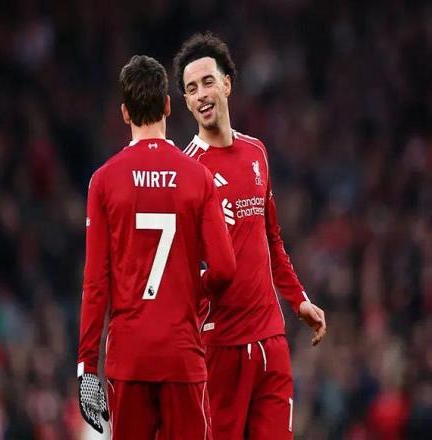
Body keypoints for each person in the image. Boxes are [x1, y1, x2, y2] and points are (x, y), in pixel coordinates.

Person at [173, 33, 327, 440]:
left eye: (208, 82)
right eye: (191, 89)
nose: (201, 94)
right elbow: (178, 269)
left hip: (271, 339)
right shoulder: (187, 171)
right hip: (219, 346)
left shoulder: (256, 152)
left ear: (227, 84)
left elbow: (272, 238)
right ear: (186, 102)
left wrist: (298, 300)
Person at [76, 54, 236, 440]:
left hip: (129, 358)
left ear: (125, 113)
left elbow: (96, 284)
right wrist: (192, 287)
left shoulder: (103, 181)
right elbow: (225, 268)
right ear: (168, 105)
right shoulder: (198, 177)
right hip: (182, 354)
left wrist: (87, 368)